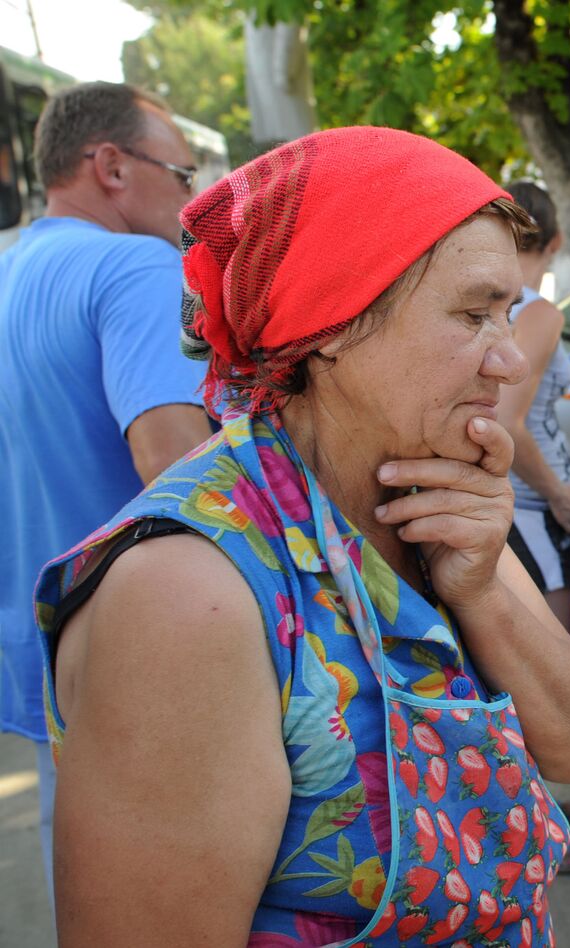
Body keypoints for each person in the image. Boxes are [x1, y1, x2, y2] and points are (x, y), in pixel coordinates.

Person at [35, 127, 570, 945]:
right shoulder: (187, 596)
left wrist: (481, 590)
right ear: (336, 320)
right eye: (475, 314)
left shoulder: (431, 486)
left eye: (509, 314)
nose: (511, 363)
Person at [0, 82, 212, 895]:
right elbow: (178, 469)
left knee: (90, 888)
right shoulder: (136, 266)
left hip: (47, 646)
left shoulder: (14, 270)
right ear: (112, 166)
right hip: (147, 654)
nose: (191, 201)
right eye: (182, 173)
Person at [499, 179, 570, 874]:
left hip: (499, 508)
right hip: (528, 511)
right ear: (554, 242)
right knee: (545, 668)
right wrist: (558, 492)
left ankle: (530, 812)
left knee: (510, 663)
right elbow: (508, 424)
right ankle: (539, 825)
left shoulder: (484, 306)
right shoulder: (536, 312)